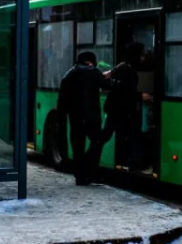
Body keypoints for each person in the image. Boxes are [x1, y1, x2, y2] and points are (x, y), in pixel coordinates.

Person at [56, 50, 112, 185]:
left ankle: (80, 177)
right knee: (97, 142)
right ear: (90, 62)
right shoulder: (93, 72)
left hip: (75, 118)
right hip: (92, 117)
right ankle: (90, 171)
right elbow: (108, 85)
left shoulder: (69, 75)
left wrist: (63, 114)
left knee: (77, 147)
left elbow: (62, 100)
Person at [101, 42, 151, 171]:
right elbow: (124, 90)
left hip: (121, 110)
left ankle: (134, 163)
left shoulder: (126, 67)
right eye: (142, 54)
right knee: (107, 136)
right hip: (118, 110)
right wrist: (140, 96)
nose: (143, 58)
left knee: (132, 134)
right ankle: (90, 161)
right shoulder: (125, 69)